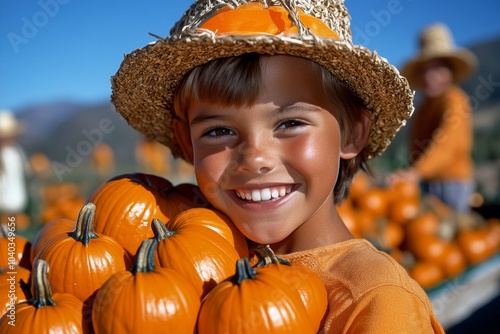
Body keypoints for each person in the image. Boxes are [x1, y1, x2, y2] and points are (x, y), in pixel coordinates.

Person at [110, 0, 444, 332]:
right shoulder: (197, 267)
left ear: (351, 134)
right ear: (187, 143)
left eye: (290, 123)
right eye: (219, 131)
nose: (255, 159)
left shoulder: (377, 300)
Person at [390, 23, 478, 213]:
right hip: (425, 181)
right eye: (424, 71)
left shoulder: (455, 100)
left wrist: (416, 172)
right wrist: (411, 173)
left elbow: (447, 144)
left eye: (437, 69)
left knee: (451, 234)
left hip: (452, 182)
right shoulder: (422, 109)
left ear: (450, 72)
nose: (430, 76)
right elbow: (417, 146)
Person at [0, 110, 31, 216]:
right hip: (3, 208)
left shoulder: (17, 152)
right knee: (7, 230)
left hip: (18, 206)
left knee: (14, 230)